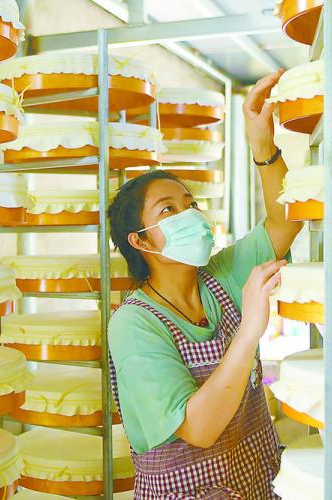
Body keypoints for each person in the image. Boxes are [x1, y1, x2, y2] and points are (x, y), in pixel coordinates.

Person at [108, 69, 301, 499]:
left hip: (257, 482)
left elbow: (285, 220)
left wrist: (262, 143)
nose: (191, 215)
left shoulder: (221, 276)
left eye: (190, 204)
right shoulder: (134, 325)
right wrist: (250, 330)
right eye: (168, 210)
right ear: (140, 241)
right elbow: (199, 428)